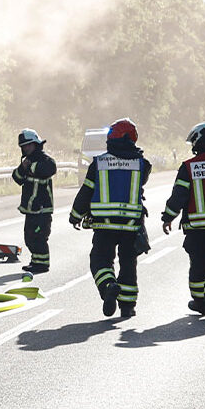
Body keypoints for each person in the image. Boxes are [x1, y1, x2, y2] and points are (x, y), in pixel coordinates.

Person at [70, 118, 152, 318]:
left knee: (100, 259)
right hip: (131, 226)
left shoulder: (98, 163)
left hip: (104, 225)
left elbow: (86, 191)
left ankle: (108, 285)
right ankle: (127, 306)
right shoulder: (143, 164)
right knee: (128, 264)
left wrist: (75, 215)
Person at [162, 122, 205, 318]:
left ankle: (200, 302)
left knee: (198, 265)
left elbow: (179, 196)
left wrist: (168, 216)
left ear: (197, 141)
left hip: (196, 229)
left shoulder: (188, 167)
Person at [11, 129, 58, 278]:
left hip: (42, 209)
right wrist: (24, 167)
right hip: (30, 209)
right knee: (29, 237)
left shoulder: (46, 160)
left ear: (36, 144)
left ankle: (43, 264)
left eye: (28, 146)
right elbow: (17, 177)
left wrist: (30, 168)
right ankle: (35, 261)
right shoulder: (26, 162)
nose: (26, 149)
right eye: (24, 146)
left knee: (40, 237)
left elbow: (48, 169)